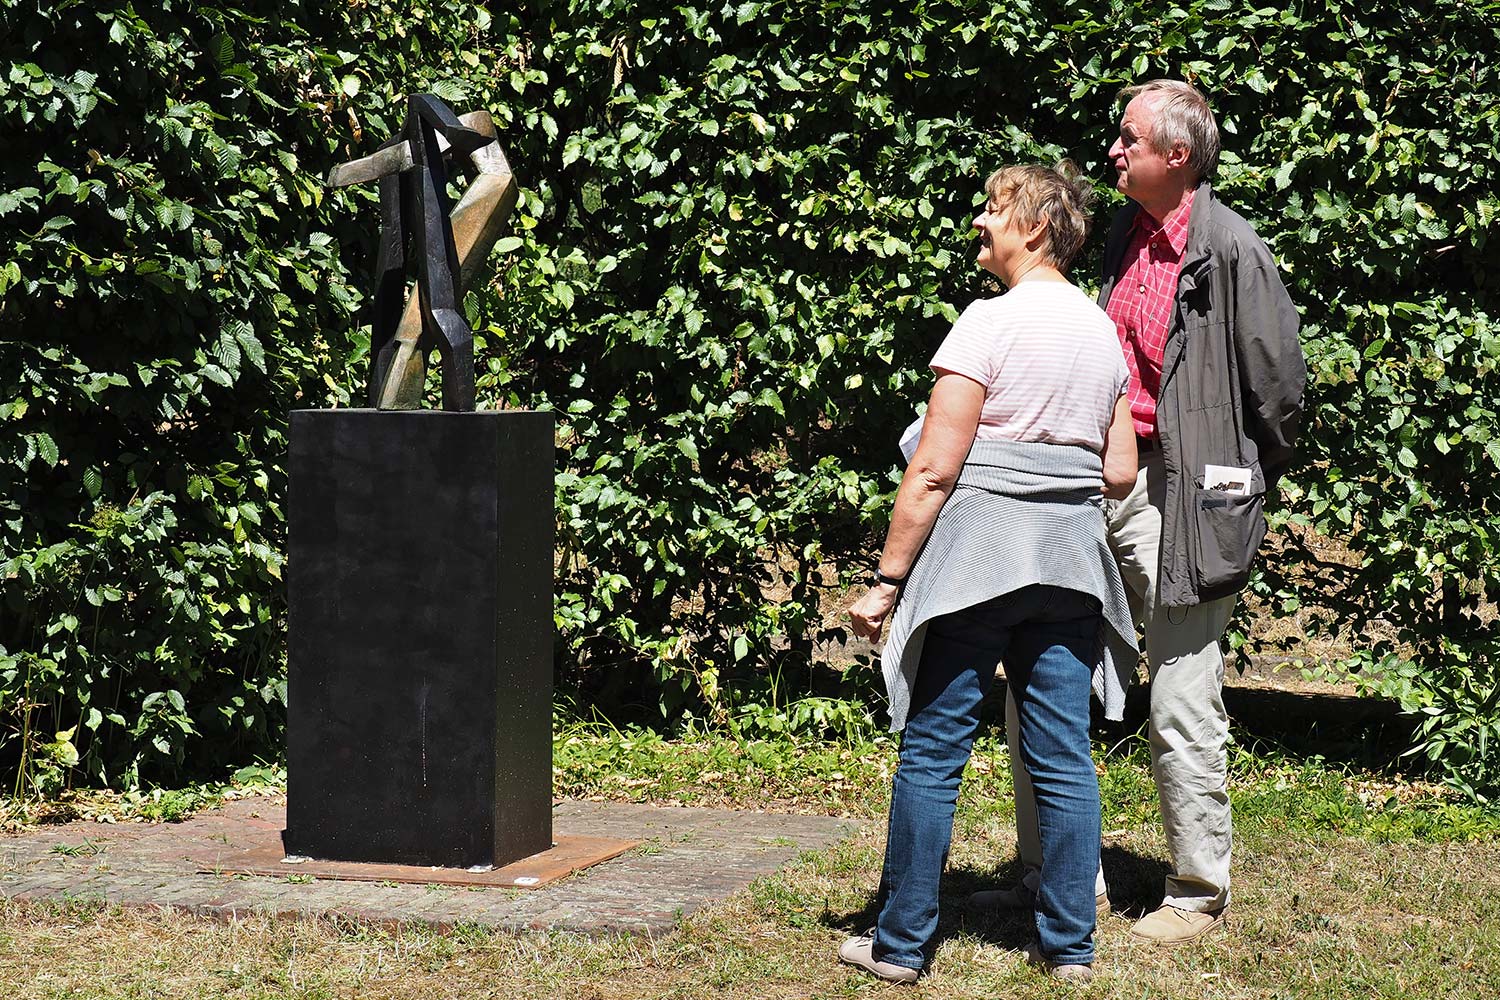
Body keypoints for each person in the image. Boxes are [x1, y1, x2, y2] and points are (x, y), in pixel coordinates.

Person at [993, 80, 1307, 946]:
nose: (1113, 153)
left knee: (1178, 692)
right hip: (1098, 482)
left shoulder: (1230, 249)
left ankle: (1197, 892)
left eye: (1129, 140)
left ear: (1179, 156)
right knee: (1045, 672)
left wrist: (1230, 475)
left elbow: (1278, 389)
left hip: (1187, 496)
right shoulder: (1125, 239)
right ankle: (1054, 875)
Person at [837, 161, 1139, 985]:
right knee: (1064, 757)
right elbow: (1116, 471)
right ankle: (1069, 949)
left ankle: (899, 947)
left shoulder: (986, 322)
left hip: (978, 560)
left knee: (934, 752)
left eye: (994, 208)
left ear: (1036, 227)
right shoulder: (1101, 331)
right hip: (1069, 564)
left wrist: (888, 579)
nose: (980, 220)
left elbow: (935, 466)